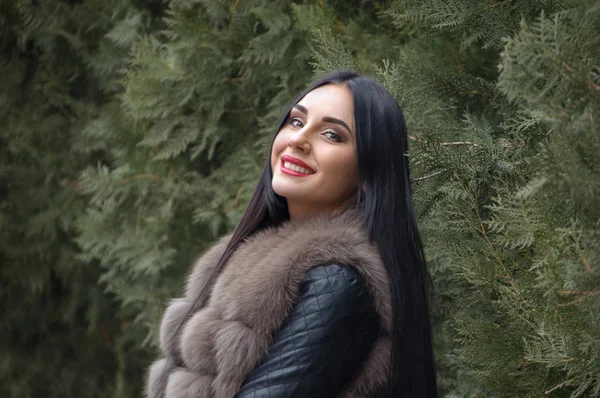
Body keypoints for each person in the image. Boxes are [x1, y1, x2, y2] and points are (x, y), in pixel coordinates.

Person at [146, 71, 438, 397]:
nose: (297, 139)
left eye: (331, 135)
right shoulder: (246, 254)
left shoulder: (339, 280)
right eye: (297, 122)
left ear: (369, 175)